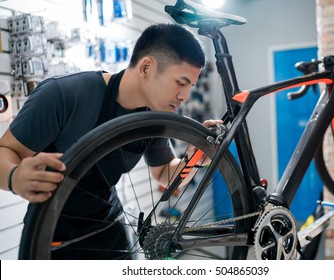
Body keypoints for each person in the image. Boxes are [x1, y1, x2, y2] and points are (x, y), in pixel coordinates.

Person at [0, 23, 221, 259]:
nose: (185, 96)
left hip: (111, 230)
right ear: (146, 67)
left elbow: (164, 174)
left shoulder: (155, 117)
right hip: (52, 235)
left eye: (190, 87)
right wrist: (15, 177)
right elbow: (6, 150)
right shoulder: (64, 94)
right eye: (181, 82)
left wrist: (196, 157)